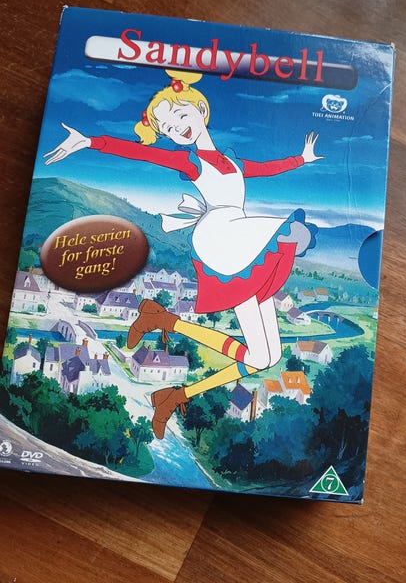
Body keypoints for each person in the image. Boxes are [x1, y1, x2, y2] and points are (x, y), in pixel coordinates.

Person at [44, 69, 324, 439]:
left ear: (201, 110)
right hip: (222, 235)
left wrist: (302, 158)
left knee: (265, 358)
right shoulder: (191, 163)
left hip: (244, 247)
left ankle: (173, 382)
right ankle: (162, 323)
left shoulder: (235, 163)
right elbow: (143, 153)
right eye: (169, 129)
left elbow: (268, 168)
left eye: (180, 116)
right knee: (289, 231)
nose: (178, 129)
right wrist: (92, 141)